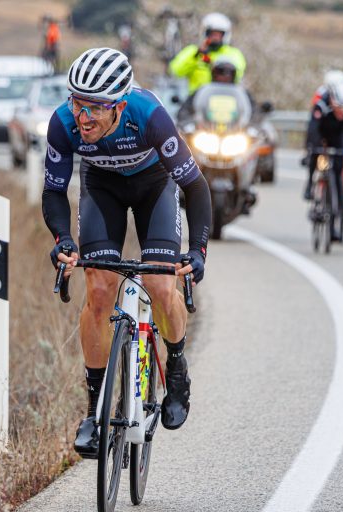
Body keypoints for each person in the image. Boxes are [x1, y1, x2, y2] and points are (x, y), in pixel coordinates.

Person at [42, 48, 212, 457]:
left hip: (155, 186)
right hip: (102, 189)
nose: (83, 117)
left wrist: (197, 250)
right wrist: (63, 240)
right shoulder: (62, 123)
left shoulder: (149, 116)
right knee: (100, 289)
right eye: (76, 103)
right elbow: (53, 191)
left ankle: (176, 366)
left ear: (119, 105)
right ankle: (94, 411)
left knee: (160, 284)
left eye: (95, 108)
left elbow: (195, 186)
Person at [305, 81, 343, 239]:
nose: (342, 112)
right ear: (332, 101)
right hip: (323, 133)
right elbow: (313, 129)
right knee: (316, 157)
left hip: (341, 137)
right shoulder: (321, 105)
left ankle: (340, 208)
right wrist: (311, 149)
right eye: (339, 108)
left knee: (338, 172)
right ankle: (310, 185)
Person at [168, 12, 246, 94]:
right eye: (212, 34)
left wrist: (210, 61)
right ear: (205, 34)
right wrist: (195, 56)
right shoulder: (193, 52)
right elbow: (175, 71)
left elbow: (238, 73)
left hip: (224, 97)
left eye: (218, 35)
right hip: (197, 98)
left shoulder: (233, 54)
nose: (215, 38)